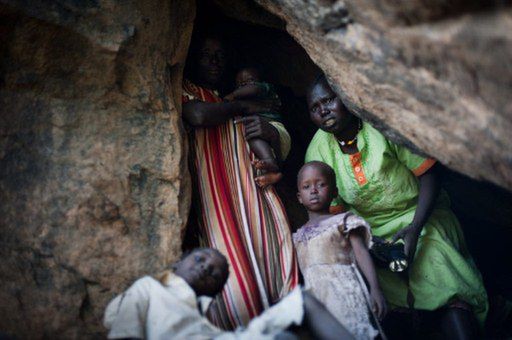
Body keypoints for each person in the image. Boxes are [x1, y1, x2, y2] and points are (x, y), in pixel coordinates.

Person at [305, 74, 488, 339]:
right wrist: (371, 244)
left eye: (329, 99)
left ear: (345, 96)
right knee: (372, 288)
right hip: (369, 234)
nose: (324, 110)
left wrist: (414, 230)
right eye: (314, 107)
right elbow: (334, 216)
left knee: (438, 265)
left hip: (421, 215)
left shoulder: (380, 125)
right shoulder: (318, 152)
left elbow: (430, 175)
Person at [181, 34, 298, 329]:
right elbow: (197, 115)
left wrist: (269, 131)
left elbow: (279, 136)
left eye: (220, 54)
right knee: (233, 281)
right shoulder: (189, 91)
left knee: (274, 262)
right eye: (206, 54)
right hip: (215, 201)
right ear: (193, 59)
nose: (214, 61)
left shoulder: (240, 93)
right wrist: (243, 108)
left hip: (257, 195)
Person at [104, 248, 354, 340]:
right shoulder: (149, 288)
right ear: (177, 263)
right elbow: (124, 334)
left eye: (214, 273)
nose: (205, 267)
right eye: (200, 258)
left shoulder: (201, 319)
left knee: (300, 309)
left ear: (215, 292)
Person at [294, 161, 386, 339]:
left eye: (321, 184)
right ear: (299, 197)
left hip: (347, 294)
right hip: (318, 300)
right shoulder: (297, 236)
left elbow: (361, 253)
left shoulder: (343, 221)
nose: (314, 190)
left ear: (334, 192)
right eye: (307, 187)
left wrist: (375, 288)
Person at [224, 66, 283, 187]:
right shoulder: (245, 104)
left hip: (275, 127)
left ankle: (270, 162)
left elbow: (253, 89)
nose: (244, 86)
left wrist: (232, 95)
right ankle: (273, 173)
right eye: (240, 84)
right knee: (253, 135)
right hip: (264, 136)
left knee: (254, 134)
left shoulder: (265, 88)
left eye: (249, 81)